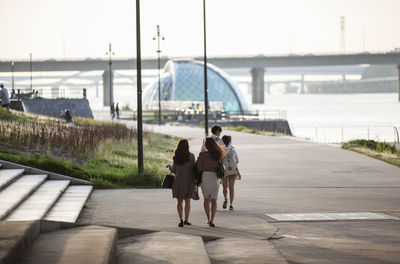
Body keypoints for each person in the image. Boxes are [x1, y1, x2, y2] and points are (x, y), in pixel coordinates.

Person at [166, 139, 196, 227]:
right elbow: (193, 170)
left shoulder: (176, 157)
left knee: (179, 202)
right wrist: (195, 183)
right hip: (188, 180)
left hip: (178, 181)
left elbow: (174, 170)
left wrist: (169, 167)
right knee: (188, 201)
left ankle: (181, 220)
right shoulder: (191, 157)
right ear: (187, 146)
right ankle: (187, 220)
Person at [196, 137, 225, 227]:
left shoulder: (202, 155)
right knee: (214, 200)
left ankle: (208, 218)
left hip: (205, 177)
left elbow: (199, 168)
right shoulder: (218, 154)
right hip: (215, 178)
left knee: (206, 199)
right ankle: (212, 219)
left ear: (206, 145)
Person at [221, 135, 239, 211]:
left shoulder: (221, 149)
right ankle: (231, 205)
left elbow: (220, 161)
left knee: (225, 187)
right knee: (231, 188)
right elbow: (237, 161)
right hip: (232, 171)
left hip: (224, 171)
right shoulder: (233, 149)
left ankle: (225, 198)